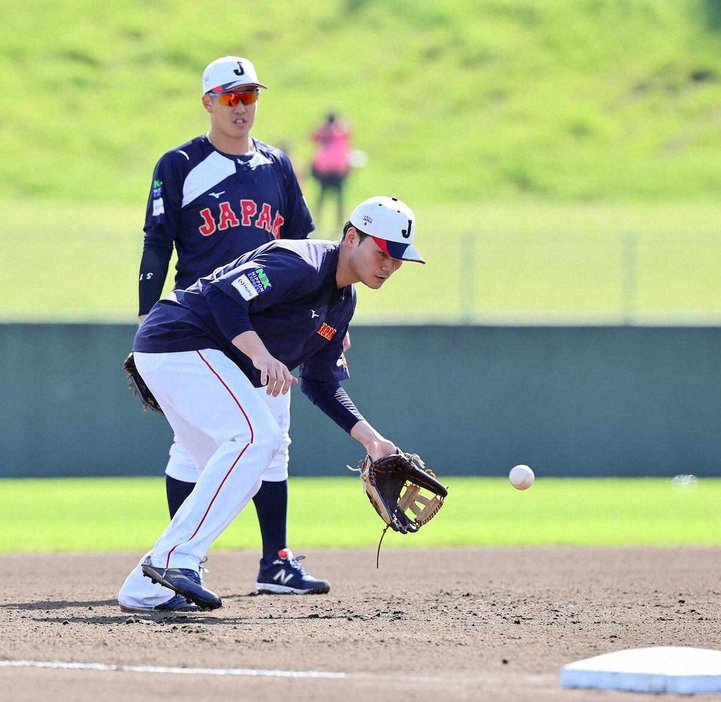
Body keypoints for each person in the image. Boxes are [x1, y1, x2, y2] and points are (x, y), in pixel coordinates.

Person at [120, 196, 425, 610]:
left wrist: (373, 442)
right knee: (255, 438)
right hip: (178, 340)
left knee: (243, 471)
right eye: (383, 252)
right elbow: (226, 297)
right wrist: (260, 353)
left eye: (398, 258)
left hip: (197, 355)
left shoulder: (343, 303)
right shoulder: (298, 262)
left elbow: (319, 382)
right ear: (352, 237)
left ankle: (147, 587)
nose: (390, 265)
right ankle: (177, 560)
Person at [120, 55, 323, 611]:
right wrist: (145, 319)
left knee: (273, 438)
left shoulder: (277, 165)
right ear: (208, 101)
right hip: (204, 324)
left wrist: (322, 315)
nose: (242, 107)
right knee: (193, 449)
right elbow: (156, 242)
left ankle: (275, 561)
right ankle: (184, 561)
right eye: (230, 97)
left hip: (270, 323)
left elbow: (305, 244)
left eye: (250, 95)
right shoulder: (181, 163)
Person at [310, 111, 353, 228]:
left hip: (329, 169)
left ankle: (331, 222)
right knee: (334, 198)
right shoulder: (339, 130)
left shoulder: (330, 130)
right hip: (334, 169)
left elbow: (313, 138)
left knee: (328, 198)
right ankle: (333, 221)